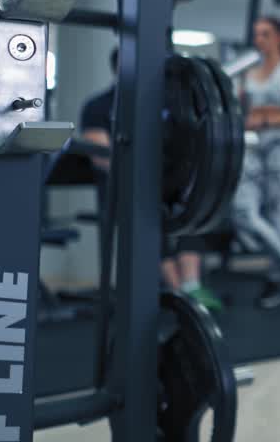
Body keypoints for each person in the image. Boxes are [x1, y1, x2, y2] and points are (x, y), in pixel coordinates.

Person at [80, 48, 222, 312]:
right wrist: (146, 180)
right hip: (123, 189)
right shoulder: (98, 106)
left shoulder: (164, 106)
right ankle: (178, 292)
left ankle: (191, 287)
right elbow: (101, 157)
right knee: (146, 216)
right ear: (119, 68)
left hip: (164, 186)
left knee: (190, 211)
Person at [233, 16, 280, 309]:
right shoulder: (247, 72)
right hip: (252, 149)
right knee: (243, 211)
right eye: (257, 34)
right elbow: (242, 112)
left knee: (278, 215)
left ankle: (275, 280)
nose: (259, 39)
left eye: (265, 34)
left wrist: (264, 118)